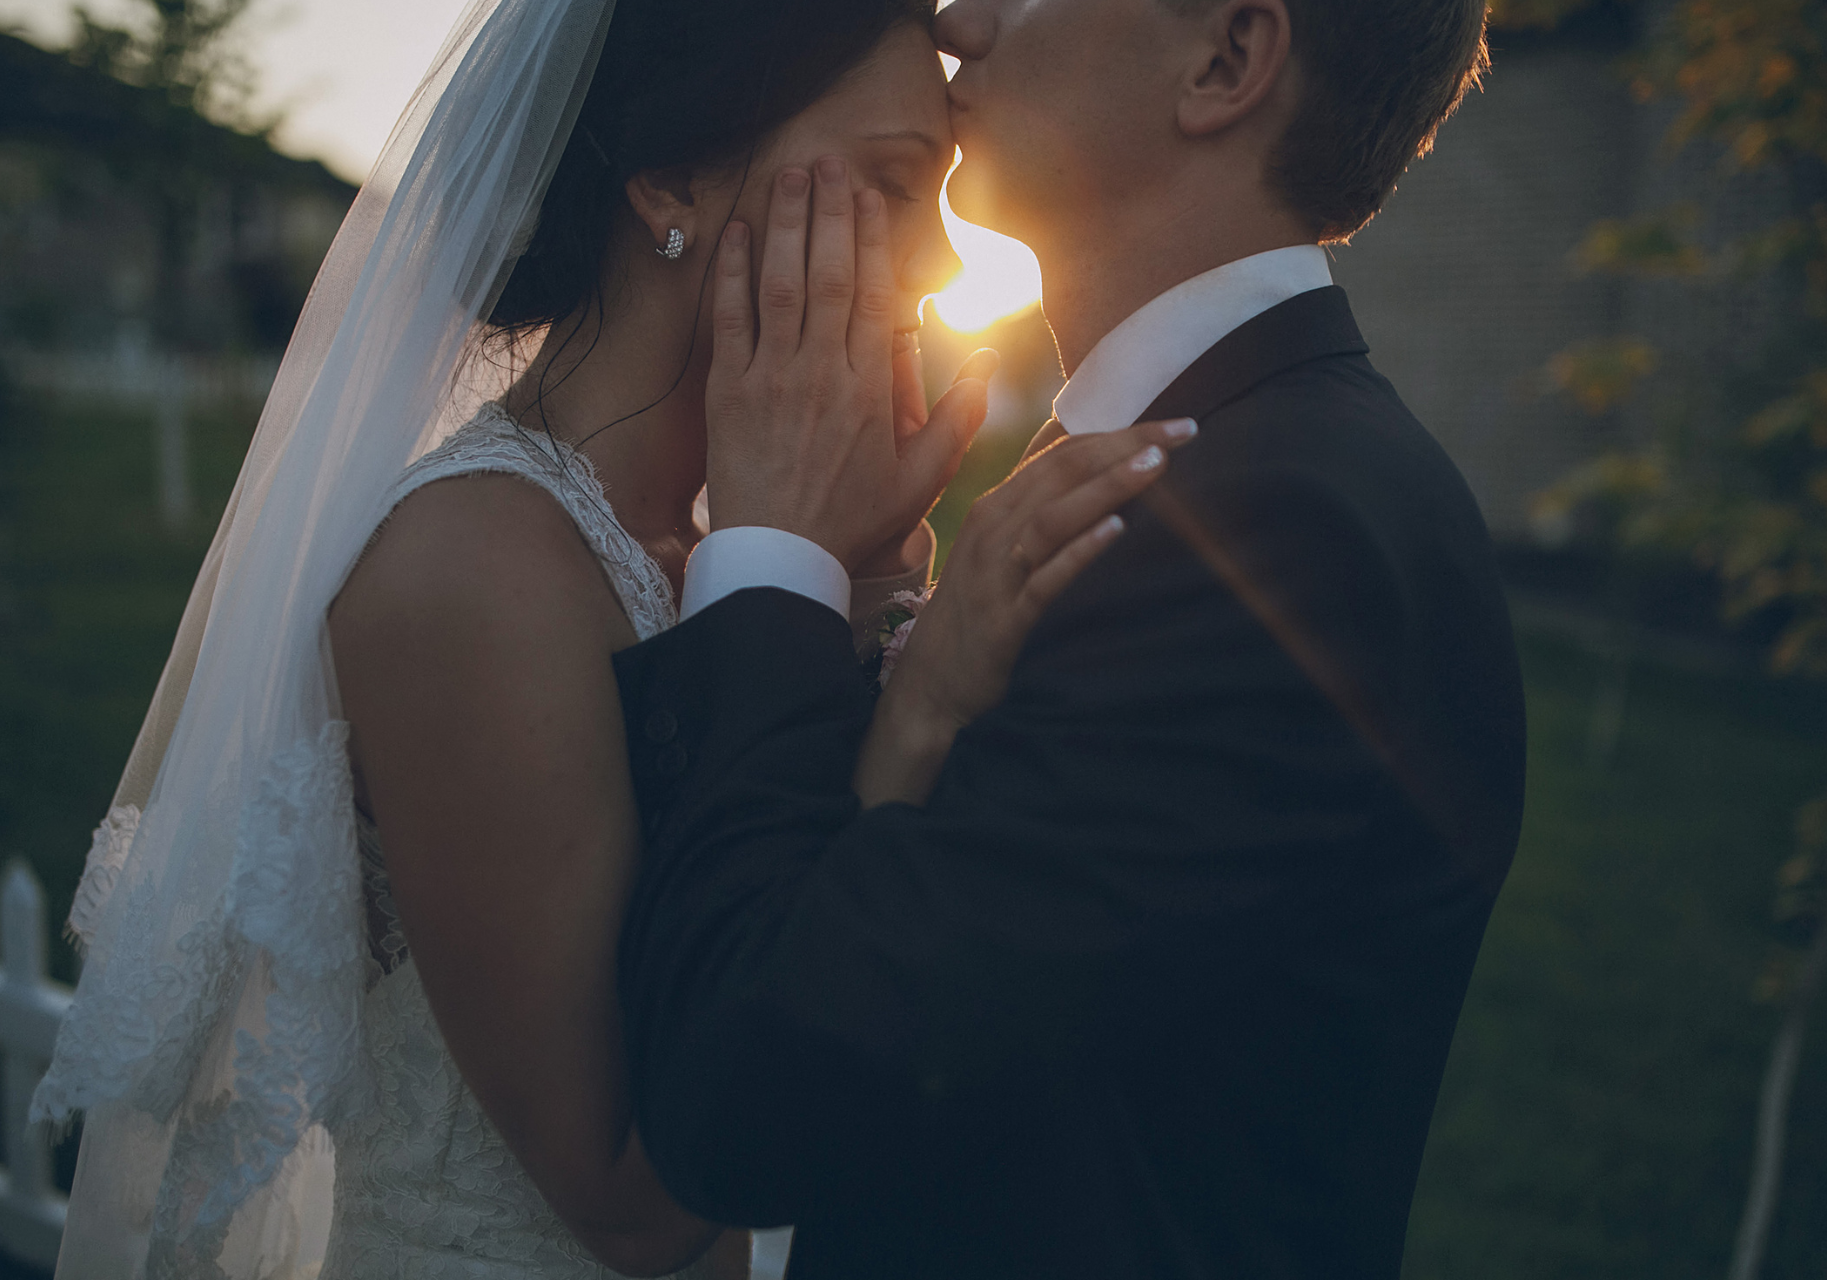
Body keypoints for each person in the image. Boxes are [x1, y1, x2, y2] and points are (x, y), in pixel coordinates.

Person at [32, 2, 1181, 1276]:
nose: (940, 266)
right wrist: (918, 702)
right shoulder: (478, 568)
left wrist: (847, 577)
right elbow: (642, 1198)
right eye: (893, 185)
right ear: (670, 181)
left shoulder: (715, 553)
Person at [611, 0, 1527, 1277]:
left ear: (1224, 62)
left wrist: (770, 560)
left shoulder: (1272, 533)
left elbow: (747, 1101)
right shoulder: (1205, 463)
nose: (960, 19)